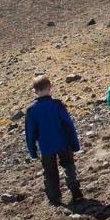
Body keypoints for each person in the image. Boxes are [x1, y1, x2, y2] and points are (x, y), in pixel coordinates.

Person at [24, 76, 83, 206]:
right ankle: (74, 189)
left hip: (46, 147)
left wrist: (32, 151)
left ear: (34, 91)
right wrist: (75, 143)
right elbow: (68, 125)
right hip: (63, 142)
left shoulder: (31, 110)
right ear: (50, 88)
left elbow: (30, 133)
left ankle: (54, 198)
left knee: (50, 172)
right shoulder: (57, 104)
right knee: (68, 165)